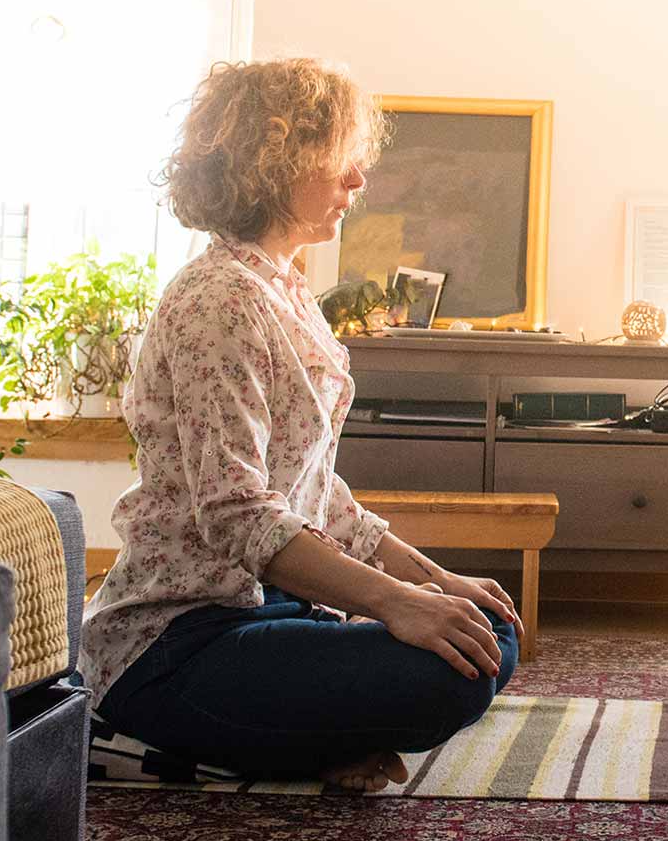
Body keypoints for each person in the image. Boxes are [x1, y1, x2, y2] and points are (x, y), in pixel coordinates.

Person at [82, 56, 518, 790]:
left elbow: (313, 484)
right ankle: (238, 741)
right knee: (454, 672)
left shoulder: (283, 289)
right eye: (338, 158)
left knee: (484, 634)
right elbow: (236, 513)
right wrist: (399, 604)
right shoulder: (218, 299)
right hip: (180, 639)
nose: (357, 179)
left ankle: (288, 744)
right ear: (272, 162)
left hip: (276, 607)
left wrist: (433, 580)